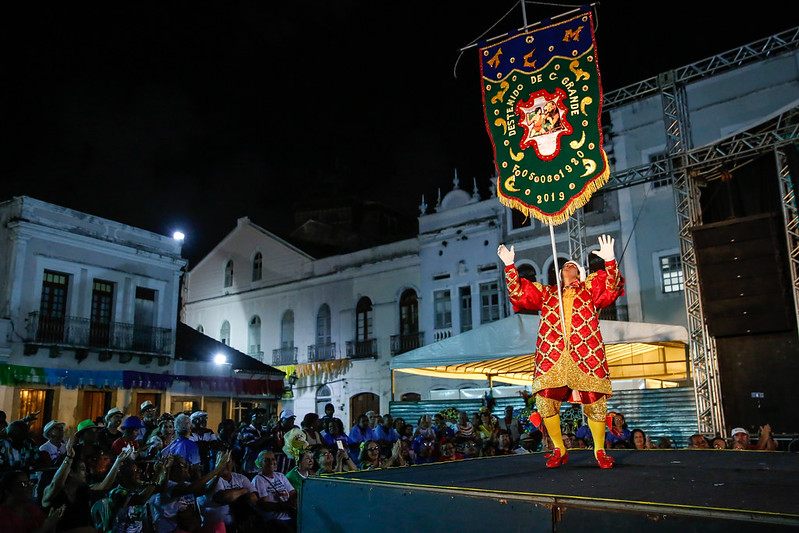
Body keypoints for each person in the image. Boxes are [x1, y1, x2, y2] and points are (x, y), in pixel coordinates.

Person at [498, 234, 624, 469]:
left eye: (573, 266)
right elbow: (518, 293)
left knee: (595, 401)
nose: (569, 266)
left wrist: (610, 260)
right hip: (551, 356)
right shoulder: (547, 295)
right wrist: (509, 265)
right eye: (565, 265)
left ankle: (599, 450)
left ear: (580, 273)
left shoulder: (590, 291)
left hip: (586, 354)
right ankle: (559, 447)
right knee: (545, 401)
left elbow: (612, 286)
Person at [42, 436, 134, 533]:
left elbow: (104, 485)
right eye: (82, 469)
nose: (86, 473)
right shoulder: (54, 493)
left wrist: (117, 462)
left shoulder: (81, 491)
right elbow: (56, 485)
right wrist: (69, 457)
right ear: (71, 472)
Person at [148, 451, 231, 533]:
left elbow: (206, 489)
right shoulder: (168, 486)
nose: (187, 468)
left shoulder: (186, 484)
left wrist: (219, 470)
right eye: (183, 465)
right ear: (172, 469)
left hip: (187, 528)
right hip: (171, 530)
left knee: (219, 525)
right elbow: (191, 488)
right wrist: (216, 469)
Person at [197, 454, 257, 533]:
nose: (225, 464)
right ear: (215, 463)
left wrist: (236, 494)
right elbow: (225, 497)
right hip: (217, 528)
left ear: (233, 463)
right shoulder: (213, 481)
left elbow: (254, 498)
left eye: (228, 461)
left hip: (240, 525)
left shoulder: (240, 478)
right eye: (222, 461)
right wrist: (244, 491)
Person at [251, 451, 296, 533]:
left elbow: (293, 493)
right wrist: (286, 505)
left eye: (273, 459)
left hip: (289, 515)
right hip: (274, 520)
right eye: (266, 460)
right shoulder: (258, 479)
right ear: (260, 463)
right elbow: (264, 505)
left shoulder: (280, 476)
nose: (271, 462)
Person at [238, 407, 272, 476]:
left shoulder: (265, 429)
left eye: (262, 415)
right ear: (251, 417)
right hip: (251, 465)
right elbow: (253, 446)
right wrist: (265, 438)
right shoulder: (246, 429)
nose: (260, 417)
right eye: (257, 415)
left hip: (264, 466)